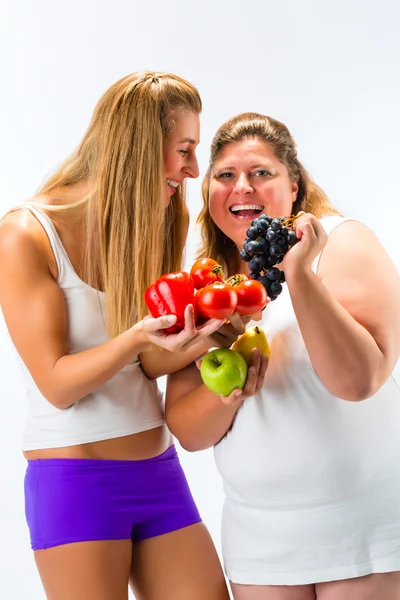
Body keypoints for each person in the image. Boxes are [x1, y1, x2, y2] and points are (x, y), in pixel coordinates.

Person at [0, 71, 246, 600]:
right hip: (76, 482)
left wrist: (208, 334)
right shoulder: (26, 234)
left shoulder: (149, 224)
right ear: (140, 144)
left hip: (158, 473)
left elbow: (148, 366)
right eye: (184, 149)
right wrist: (136, 339)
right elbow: (59, 385)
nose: (193, 168)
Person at [166, 112, 400, 600]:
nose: (242, 188)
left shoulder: (342, 242)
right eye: (225, 175)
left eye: (262, 173)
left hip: (360, 528)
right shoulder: (209, 286)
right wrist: (230, 394)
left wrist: (300, 272)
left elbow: (358, 380)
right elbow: (188, 431)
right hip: (260, 540)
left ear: (294, 184)